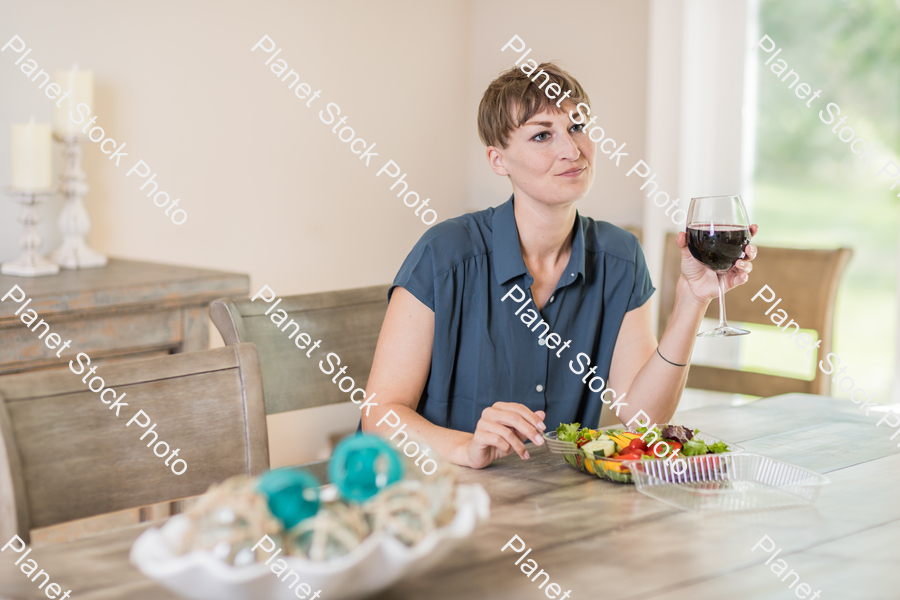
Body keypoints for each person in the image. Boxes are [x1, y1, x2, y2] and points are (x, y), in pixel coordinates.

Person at [360, 62, 757, 469]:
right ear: (499, 160)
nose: (571, 150)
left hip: (556, 504)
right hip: (440, 500)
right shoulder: (445, 254)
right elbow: (379, 415)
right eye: (542, 135)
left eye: (577, 126)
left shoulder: (620, 257)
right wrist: (465, 447)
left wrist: (693, 300)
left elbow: (644, 419)